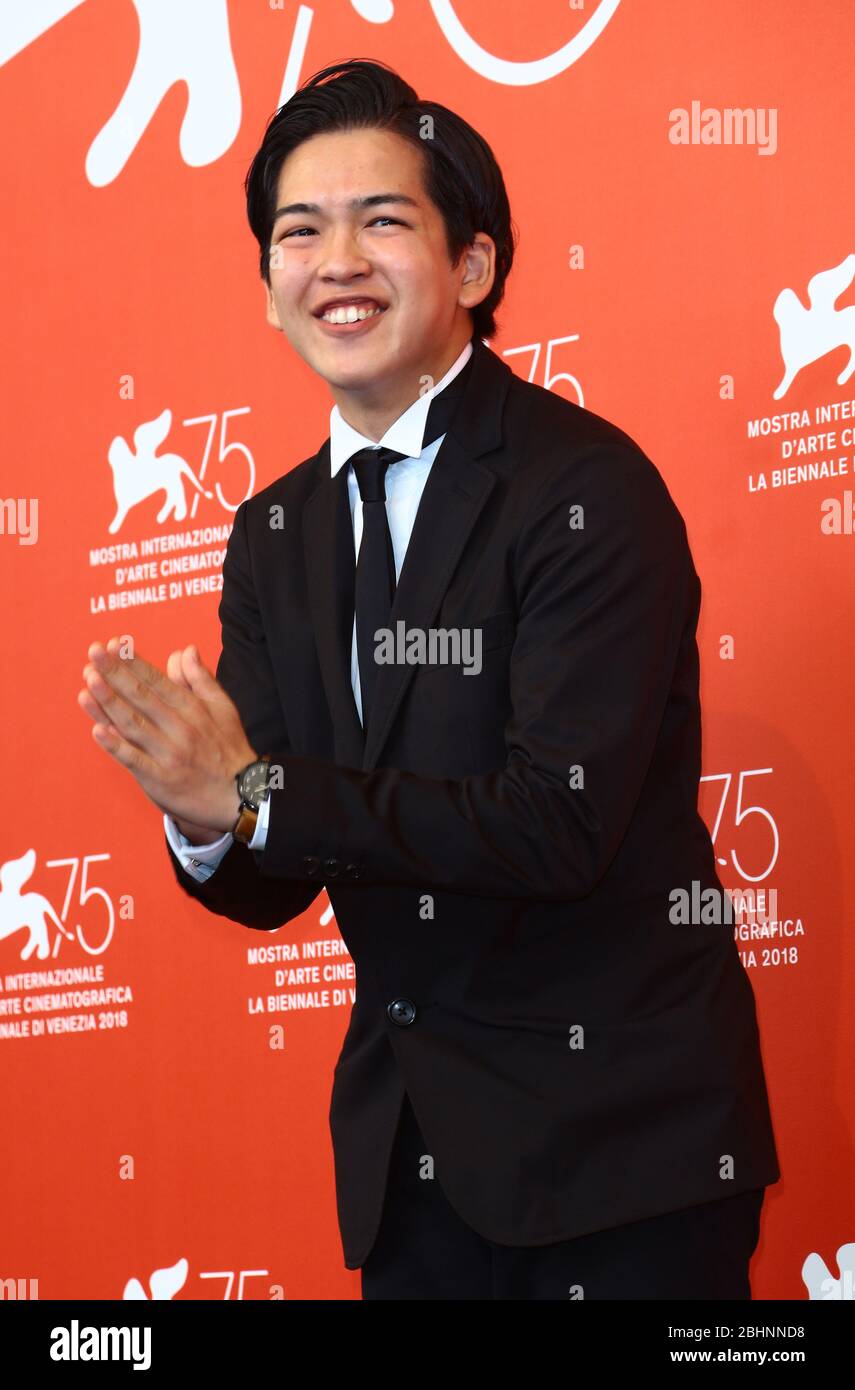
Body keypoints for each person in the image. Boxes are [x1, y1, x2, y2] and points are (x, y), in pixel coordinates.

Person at [79, 58, 780, 1300]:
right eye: (300, 232)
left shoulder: (584, 489)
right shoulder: (274, 533)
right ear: (268, 289)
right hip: (411, 1172)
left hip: (621, 1160)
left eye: (382, 221)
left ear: (473, 265)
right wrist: (206, 817)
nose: (337, 262)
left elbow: (556, 823)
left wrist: (254, 790)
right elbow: (275, 874)